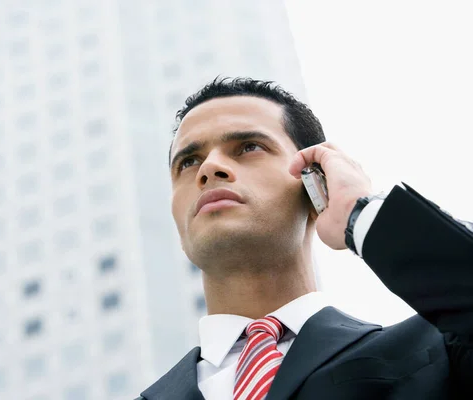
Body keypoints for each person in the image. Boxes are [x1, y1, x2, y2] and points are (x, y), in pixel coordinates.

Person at [135, 77, 473, 400]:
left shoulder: (440, 354)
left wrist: (361, 213)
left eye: (248, 147)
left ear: (316, 183)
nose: (209, 168)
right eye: (189, 161)